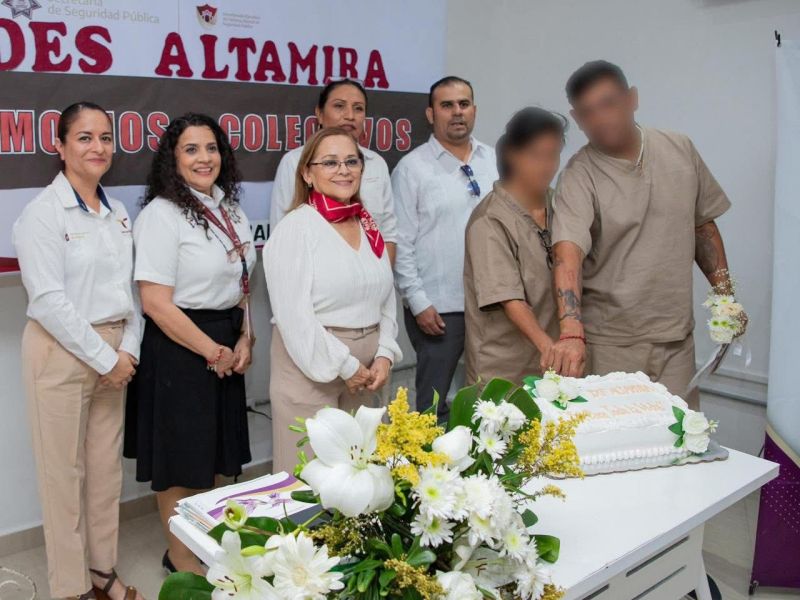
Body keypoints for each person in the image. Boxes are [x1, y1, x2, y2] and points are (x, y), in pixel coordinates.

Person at [550, 60, 745, 408]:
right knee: (620, 448)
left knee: (682, 442)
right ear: (576, 118)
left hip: (677, 341)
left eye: (608, 104)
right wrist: (571, 332)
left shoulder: (679, 148)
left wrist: (725, 296)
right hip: (611, 344)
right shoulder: (579, 175)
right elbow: (568, 254)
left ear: (632, 99)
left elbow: (702, 227)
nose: (600, 119)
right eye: (587, 112)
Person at [14, 102, 143, 600]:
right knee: (62, 480)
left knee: (105, 475)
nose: (98, 147)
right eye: (85, 137)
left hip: (115, 353)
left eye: (106, 137)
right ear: (61, 146)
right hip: (63, 353)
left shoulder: (118, 212)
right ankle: (69, 590)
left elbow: (129, 291)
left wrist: (126, 350)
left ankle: (102, 573)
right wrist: (106, 358)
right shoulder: (42, 214)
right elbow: (48, 301)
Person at [124, 113, 256, 575]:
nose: (205, 158)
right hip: (181, 350)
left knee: (214, 458)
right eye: (192, 150)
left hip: (225, 339)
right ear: (172, 159)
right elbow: (155, 303)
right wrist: (212, 351)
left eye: (212, 148)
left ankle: (202, 546)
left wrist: (246, 335)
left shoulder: (229, 207)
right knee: (182, 464)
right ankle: (183, 564)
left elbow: (242, 280)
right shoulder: (161, 215)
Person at [265, 127, 402, 474]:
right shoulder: (295, 229)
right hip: (310, 368)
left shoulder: (368, 224)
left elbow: (384, 294)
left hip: (367, 371)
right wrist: (346, 366)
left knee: (362, 479)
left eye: (351, 161)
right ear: (308, 173)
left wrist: (385, 353)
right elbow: (294, 316)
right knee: (311, 484)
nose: (343, 169)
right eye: (330, 162)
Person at [392, 76, 497, 420]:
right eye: (447, 105)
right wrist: (418, 302)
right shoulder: (412, 169)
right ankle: (430, 469)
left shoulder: (495, 161)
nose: (457, 112)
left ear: (474, 110)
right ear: (430, 113)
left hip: (493, 303)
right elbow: (401, 242)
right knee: (434, 407)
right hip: (439, 308)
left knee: (490, 401)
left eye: (463, 104)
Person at [464, 107, 567, 385]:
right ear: (512, 155)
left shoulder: (560, 204)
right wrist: (549, 348)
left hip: (553, 364)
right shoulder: (489, 220)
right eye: (536, 155)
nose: (547, 166)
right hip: (504, 369)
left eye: (554, 154)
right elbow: (510, 299)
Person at [269, 78, 398, 264]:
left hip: (374, 281)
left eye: (358, 108)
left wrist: (383, 281)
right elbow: (281, 241)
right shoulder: (295, 162)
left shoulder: (376, 163)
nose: (350, 115)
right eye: (339, 106)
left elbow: (388, 234)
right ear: (319, 114)